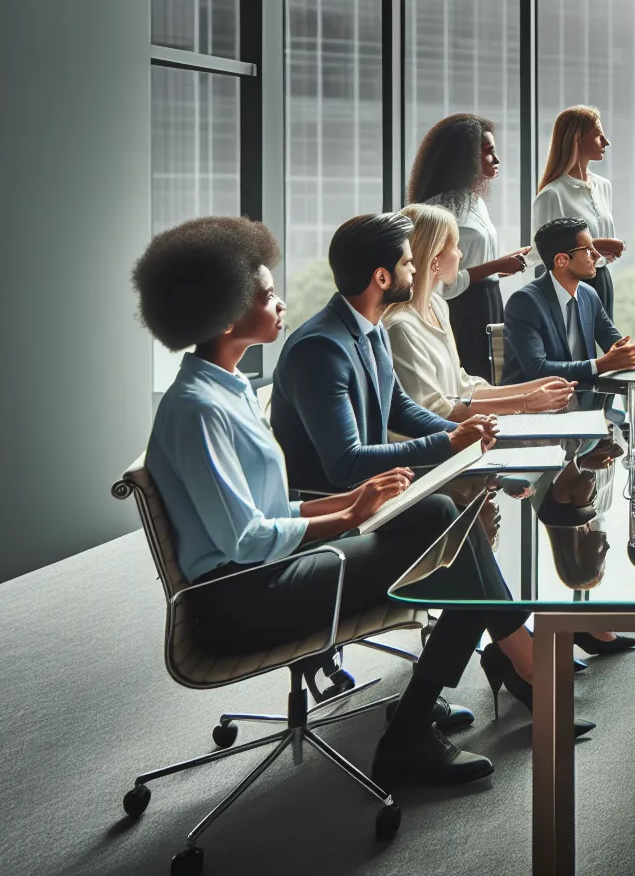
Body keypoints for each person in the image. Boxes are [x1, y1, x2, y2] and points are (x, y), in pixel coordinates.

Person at [133, 217, 571, 787]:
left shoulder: (228, 389)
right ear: (226, 312)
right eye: (267, 293)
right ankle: (453, 706)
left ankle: (487, 676)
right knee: (454, 555)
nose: (282, 300)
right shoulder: (199, 409)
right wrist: (343, 513)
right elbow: (243, 539)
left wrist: (353, 502)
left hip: (272, 569)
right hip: (240, 600)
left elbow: (268, 508)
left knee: (443, 518)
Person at [272, 212, 496, 493]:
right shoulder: (319, 350)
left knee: (468, 494)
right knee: (447, 506)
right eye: (407, 263)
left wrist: (457, 431)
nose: (415, 270)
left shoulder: (373, 329)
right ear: (382, 277)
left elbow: (398, 408)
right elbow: (346, 464)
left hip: (373, 490)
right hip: (334, 505)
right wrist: (448, 442)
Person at [383, 203, 576, 420]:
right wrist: (525, 403)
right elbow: (436, 411)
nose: (460, 254)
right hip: (437, 446)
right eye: (455, 246)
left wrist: (531, 389)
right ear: (434, 258)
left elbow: (463, 389)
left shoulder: (437, 305)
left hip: (460, 435)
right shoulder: (400, 327)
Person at [406, 114, 531, 379]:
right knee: (470, 373)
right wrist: (496, 265)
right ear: (464, 157)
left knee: (493, 372)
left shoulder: (476, 202)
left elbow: (474, 261)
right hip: (463, 308)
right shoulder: (438, 210)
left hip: (490, 300)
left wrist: (504, 265)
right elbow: (443, 284)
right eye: (488, 152)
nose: (496, 160)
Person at [502, 217, 635, 385]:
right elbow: (537, 370)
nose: (596, 255)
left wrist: (632, 353)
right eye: (587, 250)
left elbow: (615, 342)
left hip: (583, 397)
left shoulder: (589, 294)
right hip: (531, 403)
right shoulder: (524, 303)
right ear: (562, 260)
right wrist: (600, 365)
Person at [533, 105, 625, 318]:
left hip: (601, 278)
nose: (606, 142)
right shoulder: (551, 194)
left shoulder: (603, 186)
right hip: (569, 285)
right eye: (599, 136)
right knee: (574, 348)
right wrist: (597, 246)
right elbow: (541, 256)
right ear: (577, 139)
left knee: (605, 345)